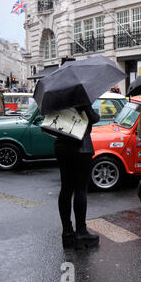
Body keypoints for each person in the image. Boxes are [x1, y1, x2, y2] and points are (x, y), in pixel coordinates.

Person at [55, 105, 100, 249]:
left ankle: (67, 233)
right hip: (81, 146)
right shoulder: (80, 92)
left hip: (62, 145)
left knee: (66, 188)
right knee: (80, 189)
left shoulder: (58, 94)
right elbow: (93, 118)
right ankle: (81, 232)